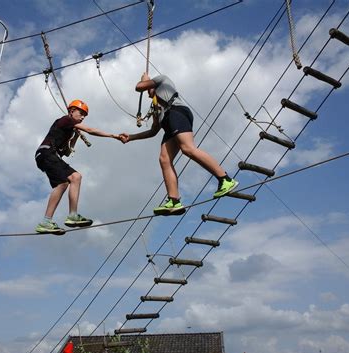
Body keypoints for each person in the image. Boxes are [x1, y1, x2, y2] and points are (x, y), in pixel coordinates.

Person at [120, 73, 238, 215]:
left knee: (187, 148)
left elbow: (139, 87)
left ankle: (225, 179)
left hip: (177, 112)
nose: (147, 94)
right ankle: (174, 201)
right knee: (164, 159)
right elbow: (153, 131)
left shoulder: (162, 80)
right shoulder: (156, 106)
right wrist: (131, 137)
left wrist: (144, 79)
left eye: (148, 90)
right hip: (168, 123)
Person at [35, 99, 121, 234]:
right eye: (80, 113)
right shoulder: (65, 120)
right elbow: (90, 130)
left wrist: (74, 136)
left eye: (84, 116)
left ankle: (73, 215)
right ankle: (46, 221)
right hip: (46, 152)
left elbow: (66, 152)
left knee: (76, 177)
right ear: (71, 111)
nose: (82, 117)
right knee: (63, 183)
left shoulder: (69, 129)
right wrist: (113, 135)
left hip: (51, 155)